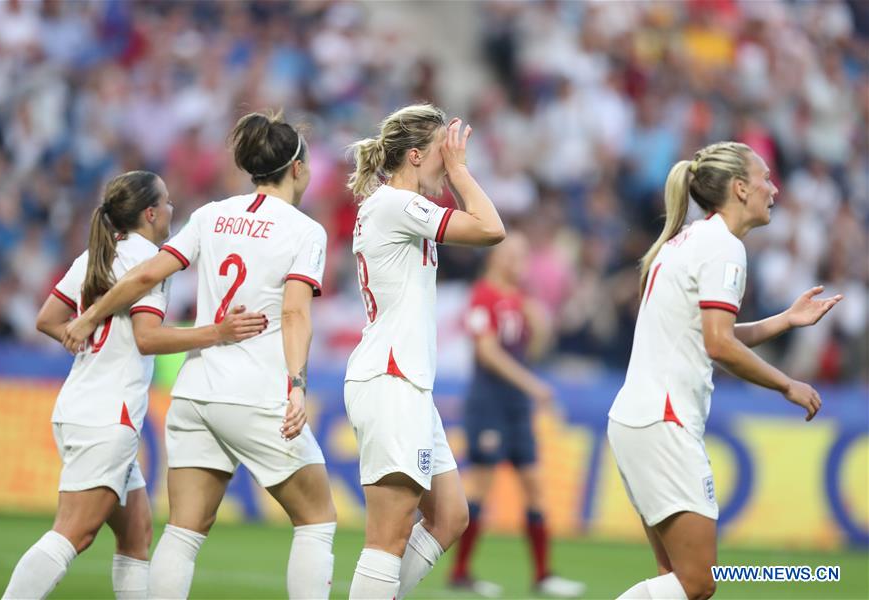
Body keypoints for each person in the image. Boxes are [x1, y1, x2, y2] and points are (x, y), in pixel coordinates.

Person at [61, 111, 337, 600]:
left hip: (195, 395)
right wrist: (296, 385)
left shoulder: (211, 215)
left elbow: (146, 274)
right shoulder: (304, 230)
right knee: (316, 520)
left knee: (184, 532)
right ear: (297, 167)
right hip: (256, 394)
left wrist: (89, 316)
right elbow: (295, 314)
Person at [3, 170, 266, 599]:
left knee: (136, 535)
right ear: (149, 213)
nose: (171, 209)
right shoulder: (150, 263)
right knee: (74, 532)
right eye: (166, 202)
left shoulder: (95, 255)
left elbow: (47, 320)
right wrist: (216, 333)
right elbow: (146, 339)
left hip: (80, 404)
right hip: (109, 414)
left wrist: (83, 336)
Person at [608, 142, 843, 600]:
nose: (774, 189)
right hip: (664, 422)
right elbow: (719, 345)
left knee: (674, 580)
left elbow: (708, 334)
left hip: (640, 419)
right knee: (697, 583)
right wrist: (786, 384)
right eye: (766, 179)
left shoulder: (689, 240)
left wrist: (783, 319)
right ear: (740, 188)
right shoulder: (724, 249)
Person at [344, 103, 506, 599]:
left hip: (407, 382)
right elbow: (490, 228)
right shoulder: (397, 203)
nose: (451, 159)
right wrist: (461, 172)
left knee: (450, 516)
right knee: (387, 537)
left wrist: (452, 165)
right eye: (443, 152)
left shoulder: (396, 207)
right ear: (415, 156)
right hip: (390, 379)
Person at [448, 232, 585, 598]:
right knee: (481, 485)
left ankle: (543, 575)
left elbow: (533, 349)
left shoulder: (519, 300)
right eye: (514, 254)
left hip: (515, 407)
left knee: (535, 488)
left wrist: (540, 325)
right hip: (488, 403)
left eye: (524, 255)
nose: (520, 261)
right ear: (497, 257)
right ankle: (460, 572)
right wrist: (532, 386)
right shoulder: (483, 296)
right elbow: (487, 354)